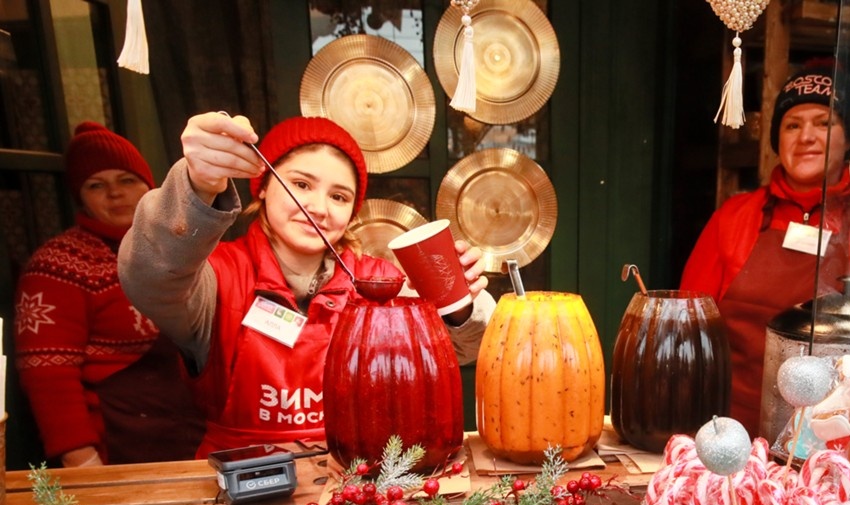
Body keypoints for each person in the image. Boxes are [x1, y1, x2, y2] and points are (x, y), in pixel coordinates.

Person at [118, 112, 495, 456]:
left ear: (351, 212)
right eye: (300, 184)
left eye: (339, 196)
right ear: (263, 186)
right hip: (243, 481)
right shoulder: (214, 275)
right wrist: (198, 185)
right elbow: (151, 276)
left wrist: (458, 302)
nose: (318, 207)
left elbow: (464, 348)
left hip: (360, 479)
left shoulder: (379, 283)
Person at [680, 60, 850, 433]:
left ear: (849, 139)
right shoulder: (735, 215)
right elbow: (688, 328)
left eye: (824, 123)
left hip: (833, 432)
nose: (806, 137)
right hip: (730, 426)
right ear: (777, 140)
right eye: (792, 125)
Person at [14, 121, 204, 466]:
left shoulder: (182, 243)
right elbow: (48, 375)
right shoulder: (58, 265)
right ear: (81, 197)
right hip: (120, 443)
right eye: (96, 185)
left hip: (195, 431)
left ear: (149, 186)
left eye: (127, 180)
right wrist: (82, 462)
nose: (115, 193)